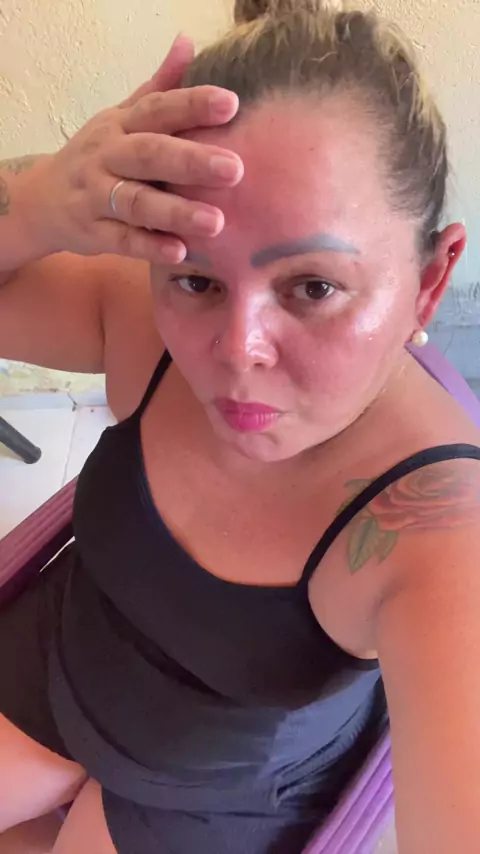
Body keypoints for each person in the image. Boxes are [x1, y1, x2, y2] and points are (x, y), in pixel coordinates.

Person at [0, 0, 479, 851]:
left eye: (313, 287)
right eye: (198, 280)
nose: (235, 351)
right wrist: (37, 203)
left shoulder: (440, 534)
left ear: (430, 283)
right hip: (61, 667)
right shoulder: (141, 320)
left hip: (214, 795)